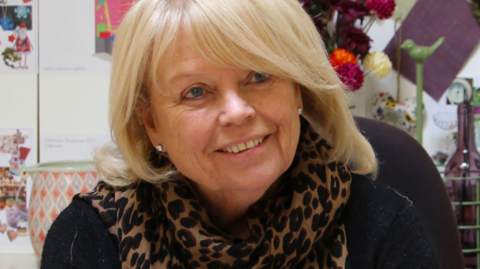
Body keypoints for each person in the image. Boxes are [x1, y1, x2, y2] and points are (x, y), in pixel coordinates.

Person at [41, 0, 441, 268]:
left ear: (297, 88)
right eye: (195, 92)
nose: (238, 111)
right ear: (151, 121)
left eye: (259, 76)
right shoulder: (91, 238)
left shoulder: (381, 226)